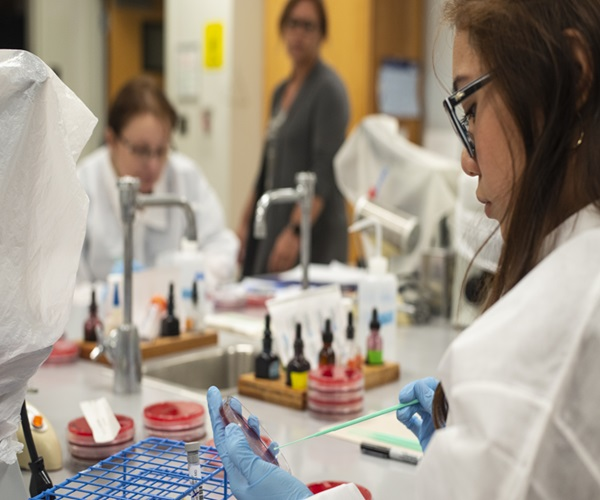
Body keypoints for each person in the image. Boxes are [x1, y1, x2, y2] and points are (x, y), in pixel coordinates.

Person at [208, 0, 600, 497]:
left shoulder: (536, 344)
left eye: (472, 108)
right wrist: (466, 455)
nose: (466, 160)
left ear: (571, 75)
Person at [77, 75, 239, 288]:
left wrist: (187, 286)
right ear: (112, 140)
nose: (153, 165)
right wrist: (111, 298)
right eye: (141, 150)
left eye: (161, 150)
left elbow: (220, 247)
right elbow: (67, 284)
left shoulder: (185, 177)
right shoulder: (82, 185)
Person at [238, 0, 350, 277]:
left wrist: (296, 231)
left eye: (308, 26)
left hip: (313, 231)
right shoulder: (280, 92)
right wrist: (246, 219)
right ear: (283, 29)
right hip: (277, 220)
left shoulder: (329, 91)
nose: (299, 34)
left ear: (321, 34)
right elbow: (267, 164)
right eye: (293, 24)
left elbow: (323, 172)